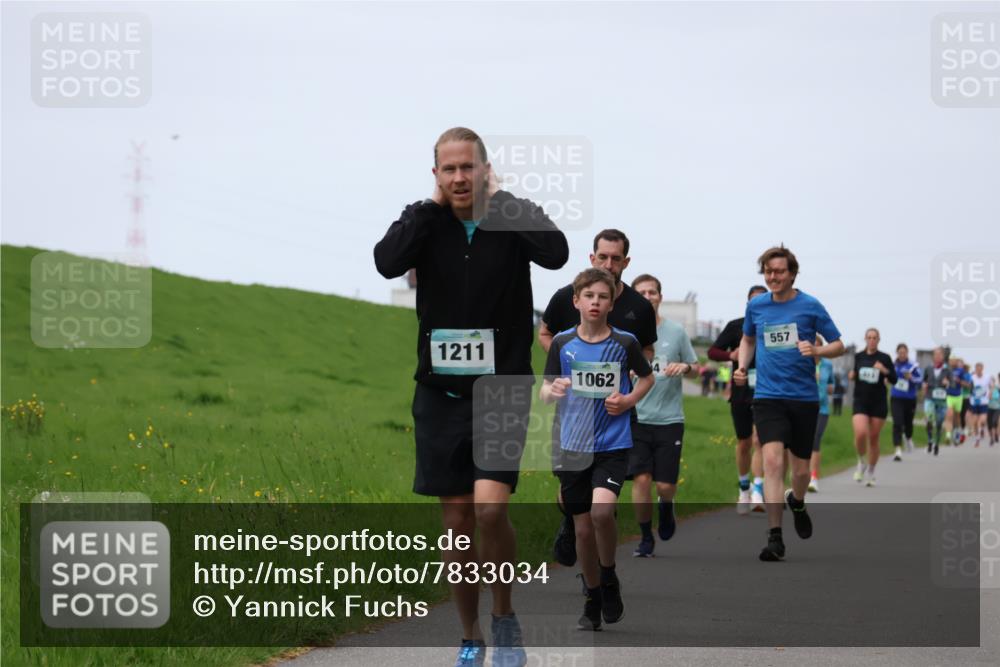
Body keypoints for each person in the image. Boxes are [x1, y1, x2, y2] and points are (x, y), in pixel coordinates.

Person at [374, 127, 569, 667]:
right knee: (457, 523)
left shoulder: (508, 219)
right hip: (440, 393)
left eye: (468, 167)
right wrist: (426, 208)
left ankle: (504, 616)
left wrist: (503, 202)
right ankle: (469, 635)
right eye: (448, 169)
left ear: (486, 169)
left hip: (502, 387)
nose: (459, 177)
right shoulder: (426, 223)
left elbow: (556, 252)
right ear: (435, 175)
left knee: (489, 509)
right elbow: (387, 261)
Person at [540, 268, 654, 631]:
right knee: (583, 530)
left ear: (612, 303)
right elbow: (544, 390)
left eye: (603, 297)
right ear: (576, 301)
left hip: (611, 444)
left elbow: (647, 377)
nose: (595, 302)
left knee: (602, 513)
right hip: (571, 445)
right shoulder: (561, 343)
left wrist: (629, 399)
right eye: (589, 296)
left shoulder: (625, 343)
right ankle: (592, 596)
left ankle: (608, 577)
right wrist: (552, 391)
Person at [733, 245, 844, 562]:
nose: (773, 277)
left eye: (779, 271)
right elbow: (748, 339)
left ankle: (797, 500)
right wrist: (743, 365)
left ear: (792, 273)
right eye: (768, 271)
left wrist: (818, 351)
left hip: (804, 399)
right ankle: (775, 537)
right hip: (768, 397)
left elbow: (838, 344)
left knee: (801, 472)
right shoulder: (757, 306)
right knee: (771, 463)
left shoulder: (810, 306)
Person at [628, 274, 699, 557]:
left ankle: (666, 507)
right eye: (642, 293)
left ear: (660, 296)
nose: (648, 297)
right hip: (636, 418)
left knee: (666, 485)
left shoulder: (676, 332)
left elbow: (695, 365)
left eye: (653, 292)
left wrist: (683, 367)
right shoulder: (626, 332)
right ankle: (645, 536)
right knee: (642, 480)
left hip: (670, 419)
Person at [708, 285, 768, 514]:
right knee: (744, 443)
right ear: (748, 304)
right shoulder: (736, 326)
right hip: (741, 393)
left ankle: (758, 491)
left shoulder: (772, 327)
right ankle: (744, 487)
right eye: (753, 300)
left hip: (765, 392)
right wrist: (730, 355)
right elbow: (713, 352)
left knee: (758, 441)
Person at [848, 328, 896, 487]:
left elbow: (894, 379)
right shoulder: (859, 356)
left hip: (878, 402)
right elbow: (855, 374)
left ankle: (871, 472)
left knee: (874, 439)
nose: (872, 340)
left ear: (879, 340)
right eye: (869, 337)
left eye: (875, 337)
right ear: (865, 339)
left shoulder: (885, 358)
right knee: (861, 433)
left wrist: (884, 370)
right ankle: (861, 461)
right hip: (860, 400)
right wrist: (852, 375)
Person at [890, 343, 923, 460]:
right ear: (897, 353)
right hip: (896, 397)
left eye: (904, 353)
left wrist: (911, 378)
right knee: (897, 422)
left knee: (908, 422)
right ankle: (897, 449)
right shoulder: (893, 365)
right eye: (900, 353)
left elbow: (920, 380)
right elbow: (888, 376)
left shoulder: (913, 366)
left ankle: (908, 437)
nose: (902, 355)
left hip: (909, 398)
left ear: (907, 353)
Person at [810, 339, 835, 492]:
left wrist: (829, 388)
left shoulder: (827, 364)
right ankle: (801, 474)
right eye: (813, 344)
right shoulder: (803, 362)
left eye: (818, 345)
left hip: (822, 408)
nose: (815, 347)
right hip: (804, 407)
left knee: (815, 439)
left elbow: (831, 383)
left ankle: (814, 477)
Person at [921, 347, 952, 456]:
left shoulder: (947, 369)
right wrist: (924, 385)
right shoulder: (928, 368)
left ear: (943, 356)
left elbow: (952, 384)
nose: (937, 356)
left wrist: (947, 382)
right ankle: (930, 440)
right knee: (929, 419)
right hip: (930, 397)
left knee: (939, 423)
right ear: (933, 356)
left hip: (942, 400)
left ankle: (937, 444)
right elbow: (924, 380)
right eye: (935, 354)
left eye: (940, 355)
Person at [944, 356, 969, 446]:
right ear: (949, 361)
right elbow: (942, 380)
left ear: (956, 362)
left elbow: (966, 384)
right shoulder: (946, 370)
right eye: (951, 360)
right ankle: (948, 435)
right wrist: (945, 382)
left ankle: (956, 433)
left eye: (954, 361)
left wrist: (958, 381)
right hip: (949, 396)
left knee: (957, 417)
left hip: (958, 396)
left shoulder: (960, 371)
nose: (952, 362)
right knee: (949, 415)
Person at [969, 362, 990, 447]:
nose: (978, 370)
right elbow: (969, 387)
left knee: (982, 420)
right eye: (977, 369)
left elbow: (991, 385)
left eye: (980, 369)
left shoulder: (987, 377)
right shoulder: (972, 378)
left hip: (984, 402)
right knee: (975, 422)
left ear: (982, 369)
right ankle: (978, 433)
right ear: (975, 369)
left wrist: (991, 392)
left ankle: (978, 437)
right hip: (974, 402)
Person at [987, 373, 1000, 446]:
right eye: (990, 381)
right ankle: (992, 437)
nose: (991, 383)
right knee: (989, 424)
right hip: (989, 408)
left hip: (997, 408)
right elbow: (988, 398)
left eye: (992, 381)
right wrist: (990, 391)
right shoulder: (988, 389)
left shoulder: (998, 388)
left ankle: (995, 436)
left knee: (994, 422)